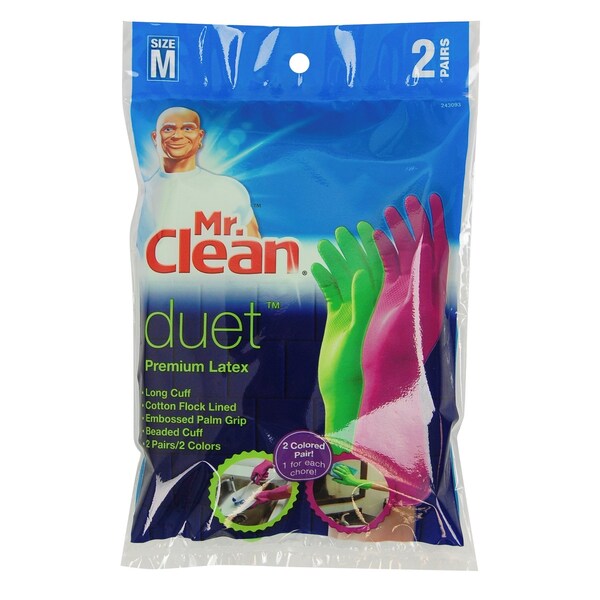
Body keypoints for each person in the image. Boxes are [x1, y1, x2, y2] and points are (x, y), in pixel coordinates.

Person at [138, 106, 260, 251]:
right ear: (155, 137)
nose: (177, 135)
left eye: (187, 129)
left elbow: (257, 250)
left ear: (200, 136)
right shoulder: (146, 196)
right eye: (168, 129)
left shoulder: (230, 189)